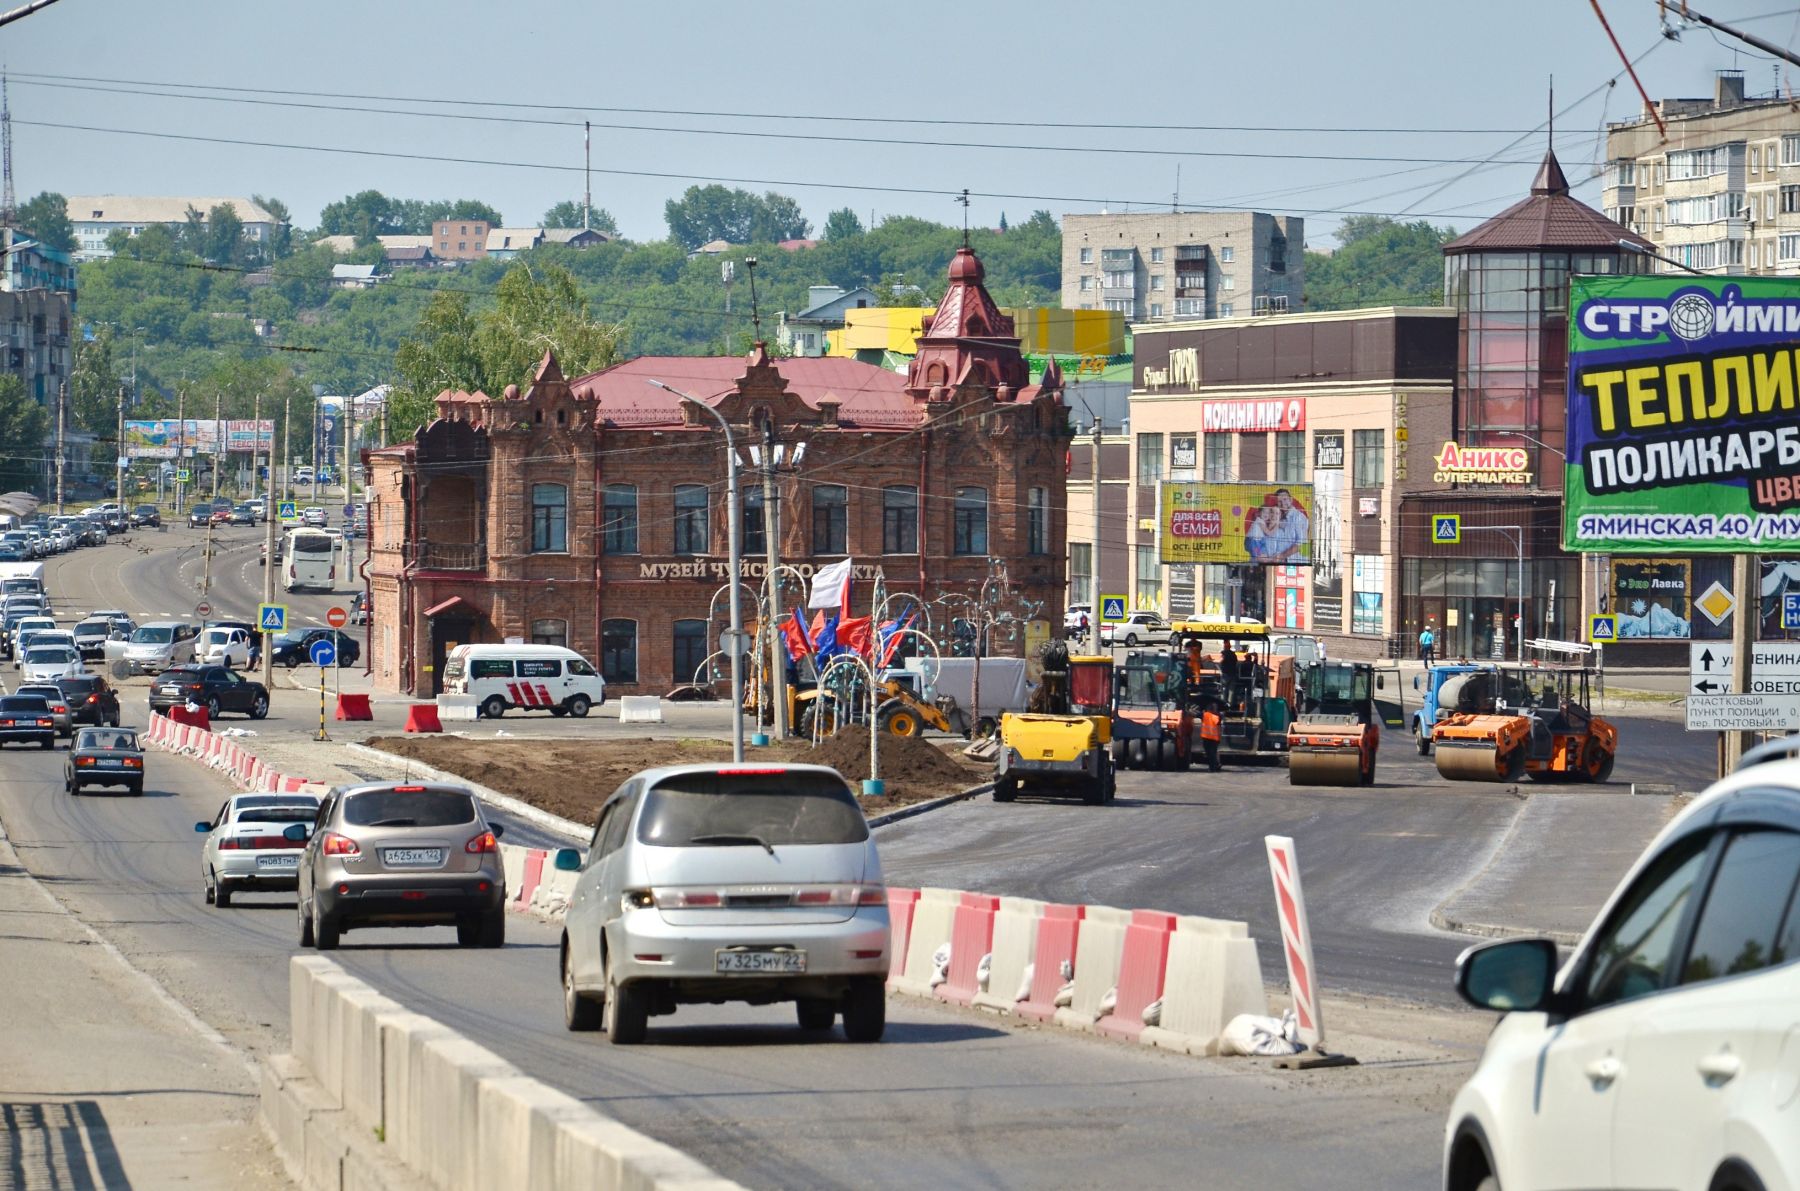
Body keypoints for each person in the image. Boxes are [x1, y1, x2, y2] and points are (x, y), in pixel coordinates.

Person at [1198, 699, 1223, 772]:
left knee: (1210, 754)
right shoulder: (1218, 716)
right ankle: (1215, 766)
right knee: (1213, 753)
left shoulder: (1204, 715)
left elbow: (1195, 714)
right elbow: (1218, 722)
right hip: (1215, 739)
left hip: (1206, 738)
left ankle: (1213, 767)